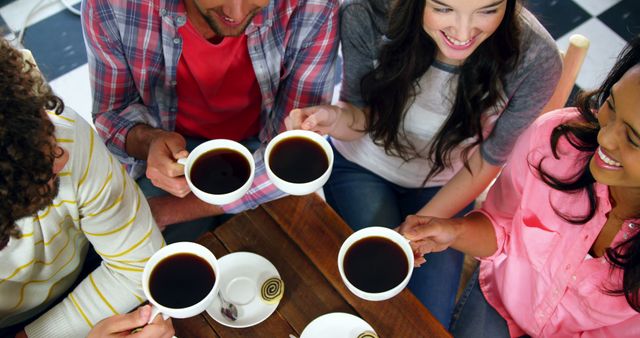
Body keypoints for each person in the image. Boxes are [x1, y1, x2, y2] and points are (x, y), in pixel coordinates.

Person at [285, 0, 561, 327]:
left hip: (449, 183)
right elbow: (361, 115)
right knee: (371, 284)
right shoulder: (366, 14)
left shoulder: (536, 59)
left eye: (488, 10)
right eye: (443, 9)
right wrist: (332, 117)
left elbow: (489, 160)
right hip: (361, 166)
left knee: (424, 321)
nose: (463, 32)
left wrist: (421, 227)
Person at [400, 37, 640, 337]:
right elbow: (501, 227)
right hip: (502, 302)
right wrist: (454, 231)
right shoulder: (553, 141)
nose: (606, 139)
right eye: (612, 106)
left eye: (633, 139)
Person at [81, 0, 339, 242]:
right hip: (170, 149)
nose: (237, 14)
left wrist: (174, 210)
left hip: (264, 146)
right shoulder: (112, 5)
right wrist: (150, 142)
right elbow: (111, 113)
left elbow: (297, 152)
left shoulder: (313, 6)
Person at [0, 40, 173, 337]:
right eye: (34, 172)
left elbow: (137, 266)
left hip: (95, 264)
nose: (62, 156)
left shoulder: (48, 129)